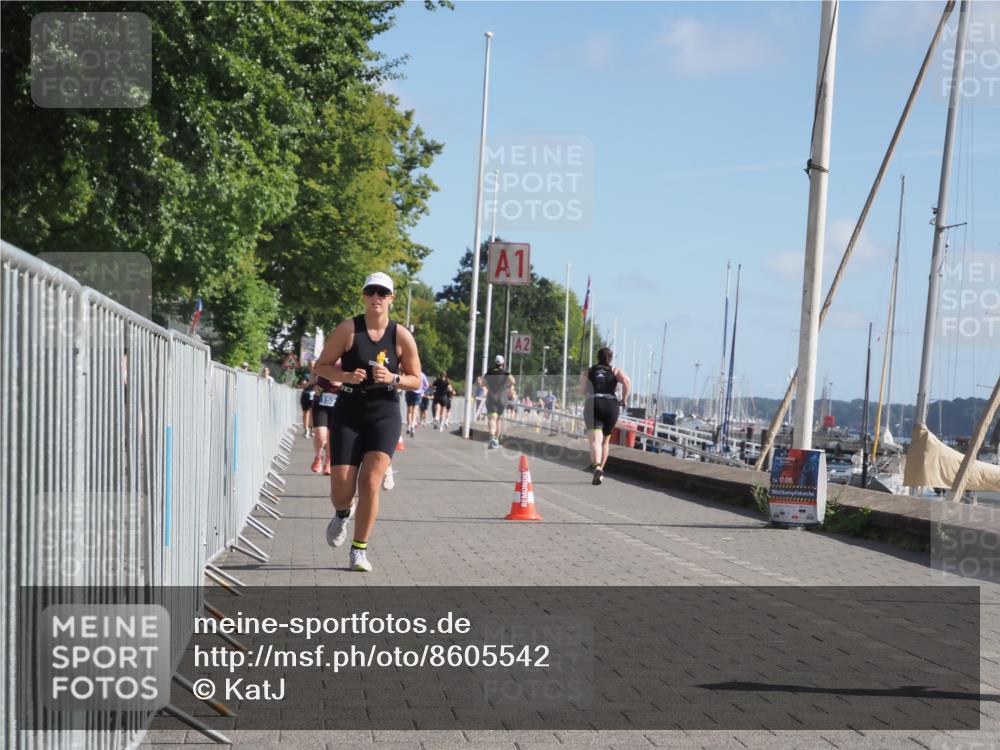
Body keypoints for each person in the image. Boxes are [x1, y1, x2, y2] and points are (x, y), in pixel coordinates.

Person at [314, 272, 421, 572]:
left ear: (391, 298)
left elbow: (416, 380)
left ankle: (359, 550)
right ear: (363, 295)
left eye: (383, 293)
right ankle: (341, 513)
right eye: (371, 292)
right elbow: (320, 367)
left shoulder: (401, 335)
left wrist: (394, 378)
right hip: (348, 410)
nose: (377, 297)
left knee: (371, 481)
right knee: (341, 490)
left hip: (384, 412)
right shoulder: (349, 329)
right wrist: (346, 376)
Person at [578, 347, 631, 485]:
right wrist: (624, 399)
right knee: (605, 441)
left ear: (598, 357)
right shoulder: (615, 371)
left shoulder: (589, 371)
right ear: (611, 359)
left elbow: (582, 391)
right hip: (611, 406)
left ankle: (596, 468)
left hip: (594, 403)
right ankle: (601, 469)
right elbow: (627, 382)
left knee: (595, 440)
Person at [310, 366, 340, 475]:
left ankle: (328, 461)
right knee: (320, 436)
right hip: (321, 402)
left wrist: (342, 381)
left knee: (332, 437)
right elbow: (314, 372)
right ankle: (318, 457)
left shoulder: (348, 359)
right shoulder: (325, 358)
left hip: (338, 403)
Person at [483, 355, 514, 449]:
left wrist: (488, 387)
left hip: (491, 396)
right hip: (502, 397)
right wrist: (506, 385)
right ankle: (496, 440)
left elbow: (482, 383)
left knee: (492, 418)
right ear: (503, 363)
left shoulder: (489, 371)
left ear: (495, 362)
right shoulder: (505, 372)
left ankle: (492, 438)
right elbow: (513, 381)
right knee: (499, 419)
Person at [404, 369, 428, 438]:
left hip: (409, 391)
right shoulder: (422, 374)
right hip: (418, 393)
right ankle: (413, 425)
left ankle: (408, 426)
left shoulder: (410, 372)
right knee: (415, 410)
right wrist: (422, 391)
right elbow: (426, 385)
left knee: (409, 410)